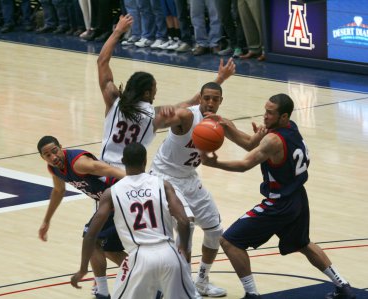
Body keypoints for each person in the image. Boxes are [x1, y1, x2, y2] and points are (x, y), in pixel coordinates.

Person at [200, 94, 356, 299]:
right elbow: (250, 143)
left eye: (270, 113)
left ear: (283, 116)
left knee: (230, 241)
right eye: (265, 110)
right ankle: (343, 286)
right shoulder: (291, 128)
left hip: (279, 203)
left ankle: (252, 294)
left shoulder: (273, 140)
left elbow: (244, 164)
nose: (265, 116)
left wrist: (214, 163)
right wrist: (226, 125)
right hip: (298, 197)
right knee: (303, 244)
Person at [149, 78, 261, 297]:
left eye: (215, 99)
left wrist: (261, 133)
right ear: (200, 98)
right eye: (206, 98)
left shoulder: (221, 122)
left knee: (214, 230)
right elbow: (154, 118)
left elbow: (249, 144)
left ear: (220, 101)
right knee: (187, 225)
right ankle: (184, 285)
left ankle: (202, 280)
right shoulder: (187, 116)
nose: (210, 102)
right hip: (165, 177)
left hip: (189, 178)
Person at [98, 13, 236, 168]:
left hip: (102, 168)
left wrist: (118, 31)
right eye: (154, 89)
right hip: (127, 176)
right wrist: (220, 79)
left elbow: (102, 61)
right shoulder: (155, 115)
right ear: (147, 93)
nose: (156, 93)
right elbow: (194, 101)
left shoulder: (114, 100)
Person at [71, 142, 198, 299]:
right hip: (170, 254)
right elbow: (184, 221)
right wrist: (183, 251)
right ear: (145, 161)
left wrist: (83, 269)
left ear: (123, 161)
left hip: (139, 257)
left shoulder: (112, 193)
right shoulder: (163, 185)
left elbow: (91, 235)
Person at [37, 135, 127, 299]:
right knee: (109, 249)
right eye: (47, 155)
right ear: (42, 157)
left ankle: (102, 292)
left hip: (120, 199)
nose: (53, 157)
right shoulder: (55, 169)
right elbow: (58, 191)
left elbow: (109, 170)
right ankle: (147, 278)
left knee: (91, 239)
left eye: (55, 151)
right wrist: (46, 221)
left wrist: (141, 182)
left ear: (61, 147)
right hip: (110, 203)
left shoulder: (79, 163)